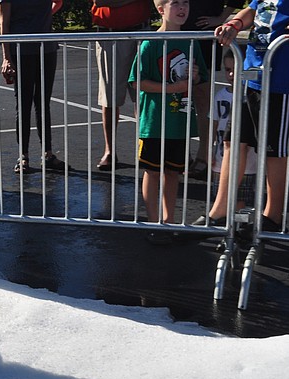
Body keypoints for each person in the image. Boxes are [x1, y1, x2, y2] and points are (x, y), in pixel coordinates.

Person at [204, 0, 289, 232]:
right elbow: (253, 9)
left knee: (273, 149)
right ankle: (220, 210)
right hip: (251, 73)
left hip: (282, 79)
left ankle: (272, 216)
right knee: (233, 140)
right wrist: (234, 23)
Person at [129, 0, 209, 234]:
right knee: (153, 172)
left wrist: (194, 77)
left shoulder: (191, 41)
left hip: (179, 121)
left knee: (173, 172)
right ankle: (153, 221)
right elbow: (137, 81)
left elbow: (200, 79)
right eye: (175, 3)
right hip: (154, 122)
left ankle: (169, 219)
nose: (182, 8)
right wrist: (173, 88)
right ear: (161, 9)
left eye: (186, 3)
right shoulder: (150, 43)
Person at [0, 0, 67, 174]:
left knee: (43, 103)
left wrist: (42, 18)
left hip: (47, 48)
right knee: (23, 104)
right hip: (22, 50)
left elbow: (58, 2)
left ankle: (48, 154)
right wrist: (6, 58)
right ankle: (23, 156)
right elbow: (4, 23)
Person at [182, 0, 245, 180]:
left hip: (204, 33)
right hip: (175, 32)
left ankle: (204, 156)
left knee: (202, 99)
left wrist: (221, 18)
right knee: (176, 98)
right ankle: (179, 155)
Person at [90, 0, 152, 171]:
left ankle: (146, 149)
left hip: (141, 32)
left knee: (143, 95)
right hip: (109, 35)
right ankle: (110, 150)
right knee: (109, 97)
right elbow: (100, 1)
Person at [208, 48, 257, 220]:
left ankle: (237, 228)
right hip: (221, 159)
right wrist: (209, 151)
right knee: (220, 197)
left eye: (236, 69)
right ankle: (224, 226)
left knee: (240, 200)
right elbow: (213, 125)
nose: (231, 74)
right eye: (228, 69)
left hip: (248, 162)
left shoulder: (253, 97)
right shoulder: (220, 95)